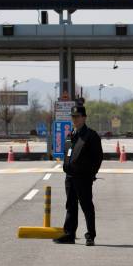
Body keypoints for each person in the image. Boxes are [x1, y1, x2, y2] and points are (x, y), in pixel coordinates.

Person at [54, 105, 103, 246]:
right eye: (73, 117)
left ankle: (90, 235)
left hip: (83, 177)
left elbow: (97, 158)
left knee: (87, 206)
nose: (75, 119)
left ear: (84, 117)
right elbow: (67, 153)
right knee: (70, 206)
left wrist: (91, 174)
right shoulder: (71, 135)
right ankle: (69, 234)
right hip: (70, 177)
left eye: (78, 116)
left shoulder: (91, 136)